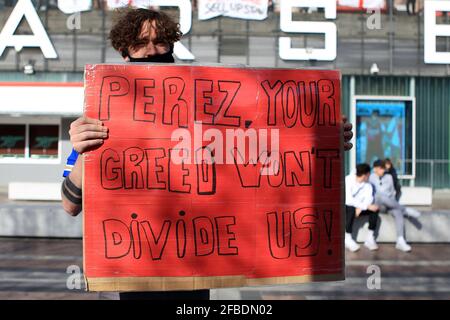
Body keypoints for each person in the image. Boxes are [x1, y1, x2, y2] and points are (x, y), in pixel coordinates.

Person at [61, 7, 355, 299]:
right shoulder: (102, 114)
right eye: (140, 43)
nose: (151, 51)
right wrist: (87, 151)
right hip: (129, 277)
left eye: (160, 41)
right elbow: (70, 205)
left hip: (194, 276)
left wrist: (319, 137)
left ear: (172, 45)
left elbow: (258, 146)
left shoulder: (205, 102)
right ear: (124, 51)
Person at [369, 159, 421, 252]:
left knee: (397, 212)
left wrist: (392, 202)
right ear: (375, 169)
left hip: (390, 204)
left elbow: (392, 192)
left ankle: (400, 240)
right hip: (377, 205)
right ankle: (405, 209)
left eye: (384, 169)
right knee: (380, 196)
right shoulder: (370, 177)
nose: (383, 171)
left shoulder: (389, 177)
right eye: (381, 169)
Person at [345, 163, 380, 252]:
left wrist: (361, 208)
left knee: (375, 209)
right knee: (350, 208)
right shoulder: (348, 180)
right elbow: (348, 200)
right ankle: (347, 238)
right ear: (366, 174)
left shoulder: (368, 185)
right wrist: (362, 206)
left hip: (359, 209)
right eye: (369, 174)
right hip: (346, 208)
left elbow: (369, 199)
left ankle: (369, 238)